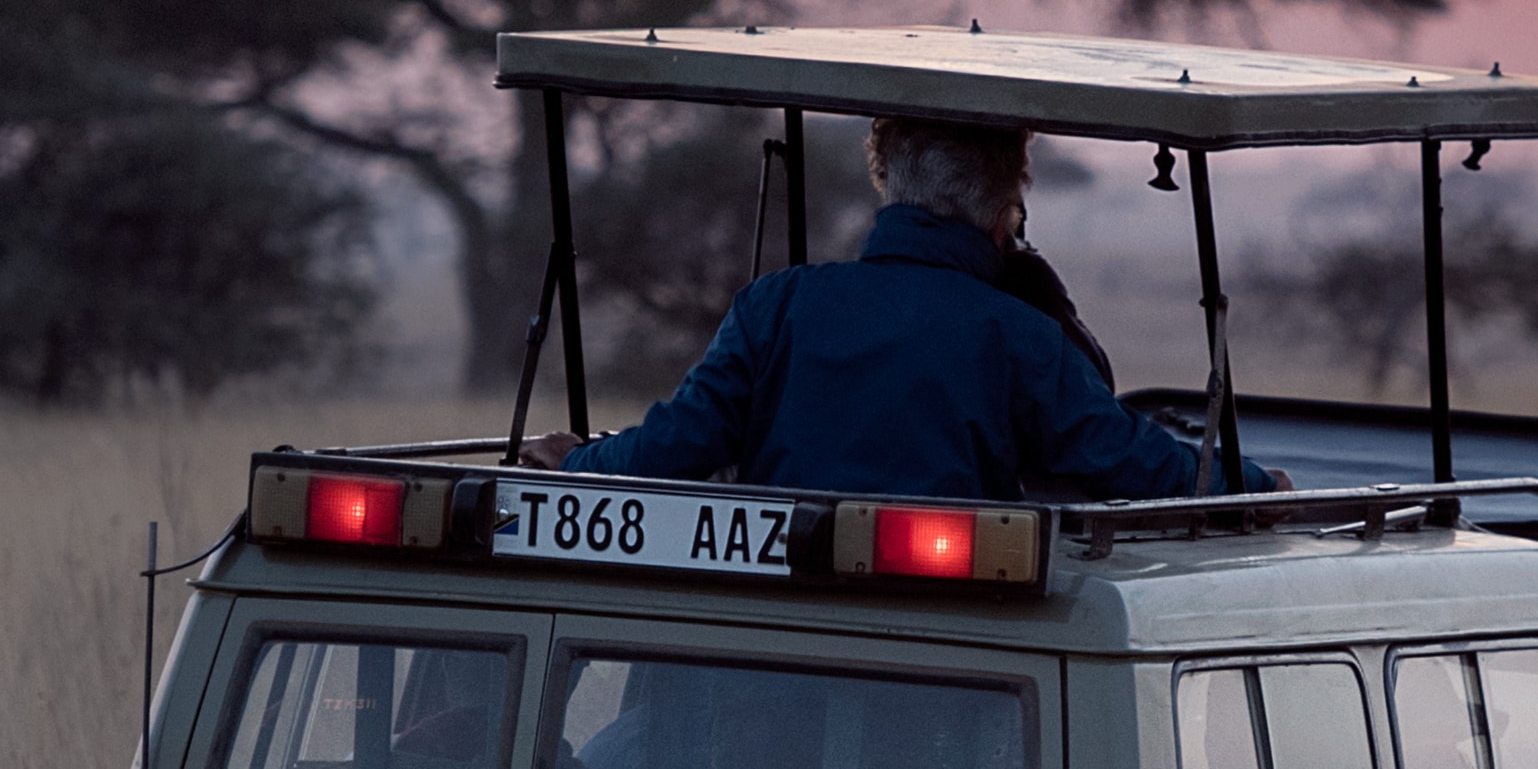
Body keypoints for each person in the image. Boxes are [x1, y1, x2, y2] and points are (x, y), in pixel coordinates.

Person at [521, 115, 1250, 502]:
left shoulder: (775, 305)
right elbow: (1121, 456)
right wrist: (1246, 484)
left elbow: (675, 445)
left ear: (888, 187)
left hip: (773, 658)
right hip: (950, 660)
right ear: (1004, 212)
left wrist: (582, 461)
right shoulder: (1018, 336)